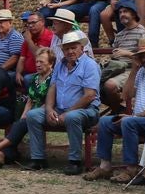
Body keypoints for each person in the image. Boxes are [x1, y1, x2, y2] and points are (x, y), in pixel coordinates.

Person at [83, 36, 145, 182]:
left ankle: (131, 168)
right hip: (142, 119)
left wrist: (135, 117)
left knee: (128, 122)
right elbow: (126, 95)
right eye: (141, 56)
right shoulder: (141, 72)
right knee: (105, 122)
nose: (144, 59)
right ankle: (105, 166)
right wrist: (134, 70)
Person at [22, 30, 101, 174]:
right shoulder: (60, 65)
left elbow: (89, 96)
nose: (70, 51)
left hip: (86, 110)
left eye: (73, 47)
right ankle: (38, 159)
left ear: (81, 48)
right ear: (63, 50)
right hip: (60, 109)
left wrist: (68, 112)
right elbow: (52, 87)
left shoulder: (89, 65)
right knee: (33, 115)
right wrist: (49, 109)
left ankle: (75, 161)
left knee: (72, 117)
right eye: (67, 48)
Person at [0, 48, 54, 167]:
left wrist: (30, 115)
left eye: (41, 62)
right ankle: (2, 155)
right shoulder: (35, 78)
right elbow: (30, 100)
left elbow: (51, 101)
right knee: (20, 123)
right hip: (33, 112)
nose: (38, 64)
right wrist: (24, 116)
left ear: (51, 63)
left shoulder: (54, 78)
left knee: (23, 123)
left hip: (47, 111)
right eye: (36, 62)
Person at [98, 3, 145, 112]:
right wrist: (108, 59)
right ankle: (121, 110)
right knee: (91, 84)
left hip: (134, 70)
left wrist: (127, 54)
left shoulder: (143, 32)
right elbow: (116, 55)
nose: (122, 15)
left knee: (110, 85)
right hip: (117, 68)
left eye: (125, 11)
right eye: (120, 13)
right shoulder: (119, 35)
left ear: (134, 14)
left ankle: (117, 111)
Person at [16, 11, 53, 89]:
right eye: (28, 23)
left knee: (27, 79)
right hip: (26, 72)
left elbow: (38, 56)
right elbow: (22, 58)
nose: (30, 26)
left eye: (33, 23)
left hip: (43, 73)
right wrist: (18, 73)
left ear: (42, 22)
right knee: (12, 76)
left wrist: (29, 40)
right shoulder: (30, 36)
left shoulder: (49, 37)